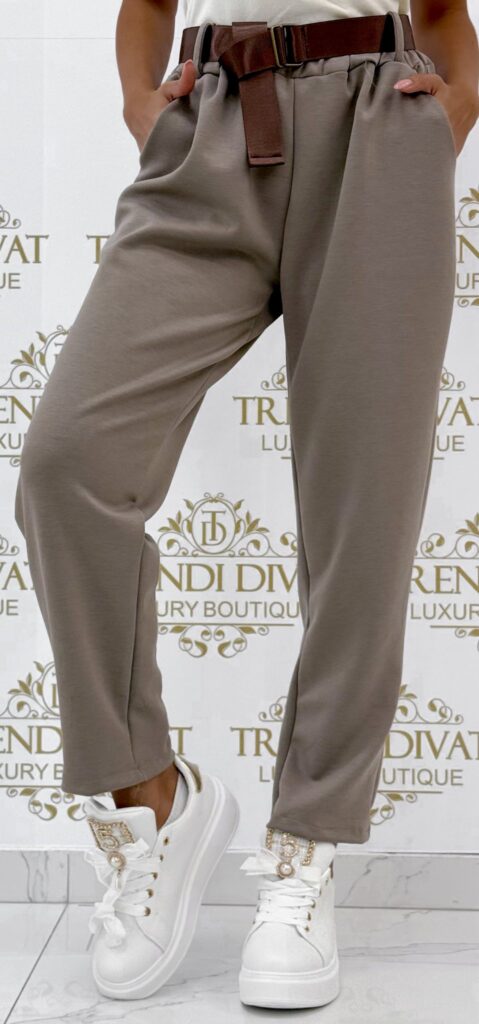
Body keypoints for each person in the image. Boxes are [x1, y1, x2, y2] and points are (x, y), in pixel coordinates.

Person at [14, 0, 478, 1010]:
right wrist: (142, 104)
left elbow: (444, 13)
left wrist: (456, 105)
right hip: (210, 128)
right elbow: (147, 5)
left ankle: (304, 848)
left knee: (361, 516)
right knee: (66, 465)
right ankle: (152, 799)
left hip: (376, 126)